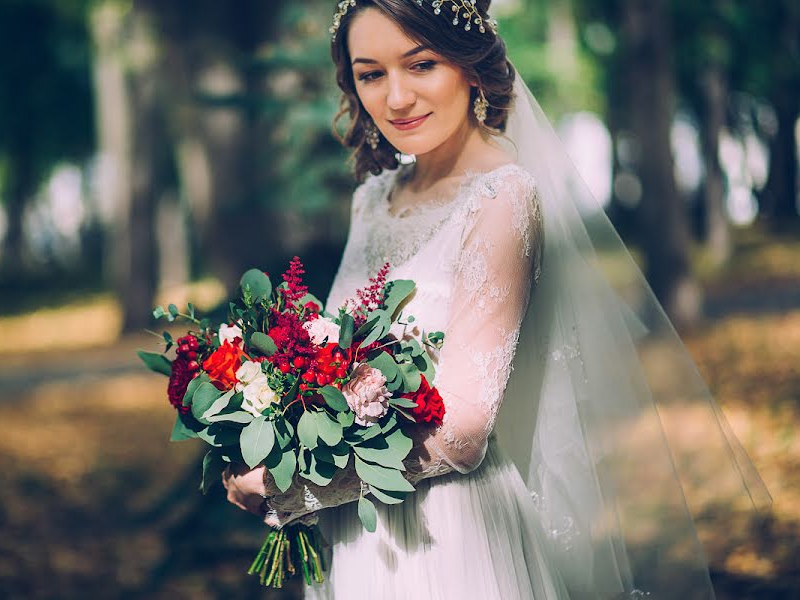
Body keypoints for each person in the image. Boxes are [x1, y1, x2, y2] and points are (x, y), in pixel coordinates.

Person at [223, 1, 770, 598]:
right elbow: (326, 360)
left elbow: (459, 431)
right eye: (371, 73)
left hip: (448, 539)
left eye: (421, 64)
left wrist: (293, 485)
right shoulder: (371, 199)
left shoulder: (502, 197)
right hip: (353, 541)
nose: (397, 97)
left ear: (469, 63)